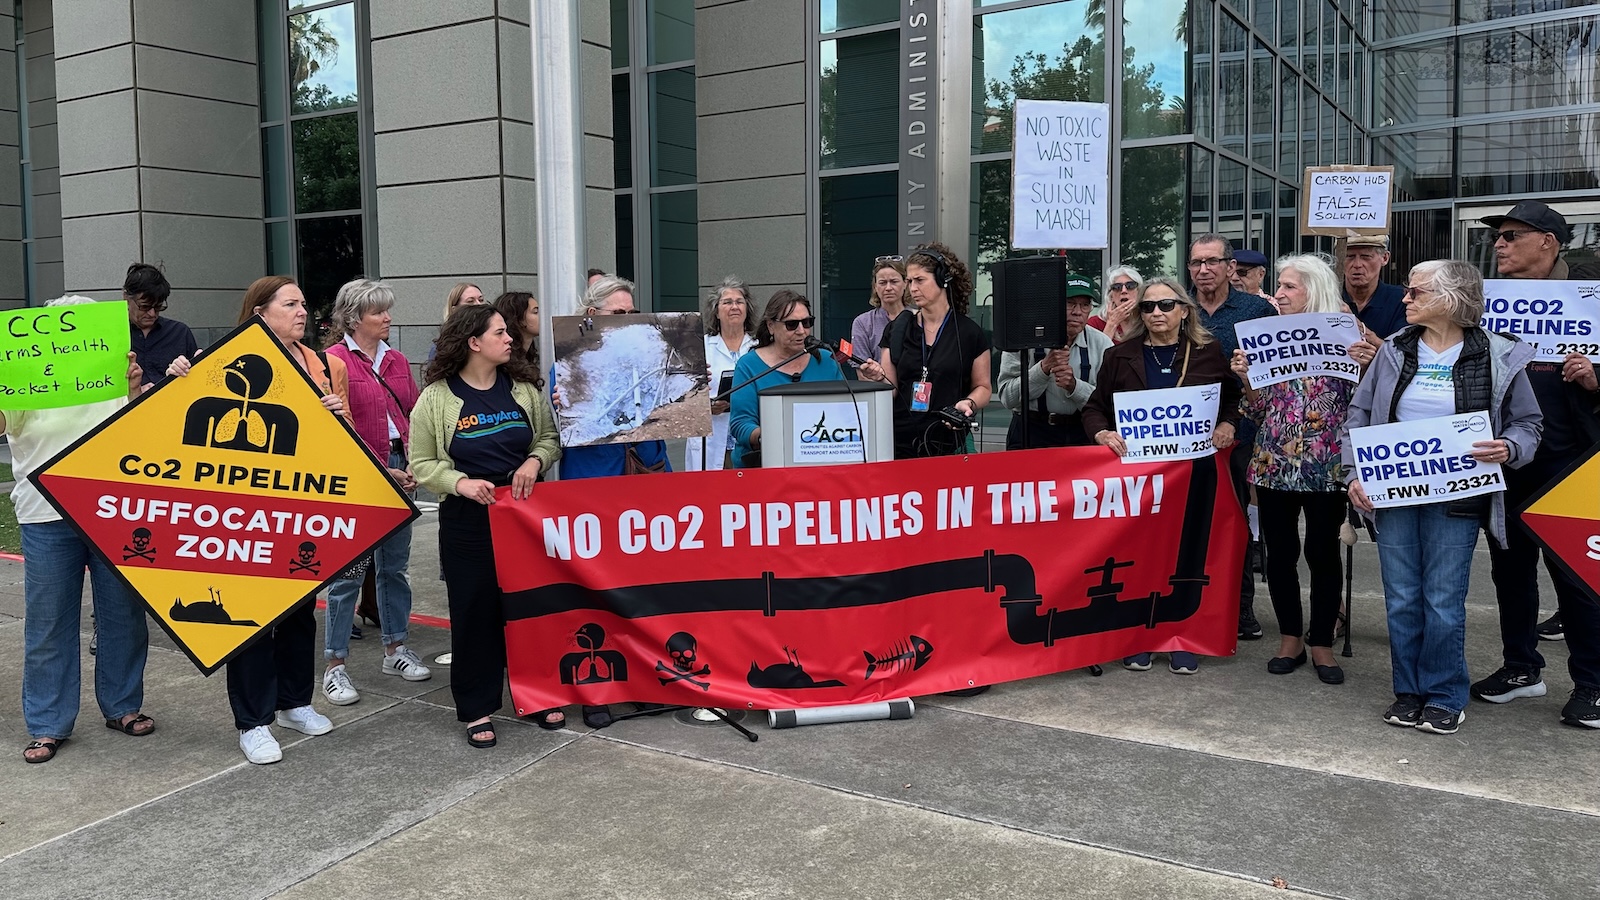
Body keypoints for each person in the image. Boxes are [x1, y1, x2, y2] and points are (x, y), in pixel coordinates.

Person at [1343, 260, 1542, 735]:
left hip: (1456, 496)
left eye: (1417, 292)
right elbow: (1359, 415)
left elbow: (1528, 424)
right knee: (1402, 598)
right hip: (1392, 493)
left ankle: (1444, 695)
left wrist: (1509, 447)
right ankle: (1408, 692)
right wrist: (1354, 473)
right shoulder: (1393, 349)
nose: (1405, 299)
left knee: (1442, 599)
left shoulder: (1499, 354)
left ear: (1451, 298)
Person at [167, 276, 349, 764]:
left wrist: (337, 413)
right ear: (259, 313)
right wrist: (178, 374)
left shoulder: (320, 363)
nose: (302, 312)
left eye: (304, 304)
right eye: (290, 304)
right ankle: (253, 722)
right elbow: (173, 419)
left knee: (297, 613)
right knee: (248, 619)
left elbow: (341, 439)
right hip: (240, 516)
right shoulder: (220, 359)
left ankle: (295, 702)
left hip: (297, 509)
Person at [1470, 200, 1600, 727]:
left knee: (1576, 578)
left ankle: (1592, 684)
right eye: (1498, 237)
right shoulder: (1485, 304)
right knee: (1510, 571)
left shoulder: (1590, 301)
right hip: (1506, 458)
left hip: (1571, 463)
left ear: (1548, 241)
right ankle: (1522, 667)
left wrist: (1596, 378)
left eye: (1512, 236)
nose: (1499, 245)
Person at [7, 297, 153, 764]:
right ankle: (48, 724)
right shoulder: (21, 376)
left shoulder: (113, 376)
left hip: (110, 509)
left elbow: (138, 435)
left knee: (123, 615)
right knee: (49, 621)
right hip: (43, 512)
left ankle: (123, 705)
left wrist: (133, 393)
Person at [411, 305, 563, 744]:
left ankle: (537, 694)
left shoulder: (523, 390)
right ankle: (477, 707)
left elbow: (548, 439)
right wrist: (459, 482)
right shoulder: (437, 398)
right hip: (467, 519)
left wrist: (535, 461)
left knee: (529, 608)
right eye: (499, 332)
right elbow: (422, 463)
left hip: (522, 514)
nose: (510, 338)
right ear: (474, 342)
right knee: (474, 609)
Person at [1082, 277, 1242, 675]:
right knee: (1142, 554)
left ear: (1184, 311)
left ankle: (1181, 636)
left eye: (1166, 305)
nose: (1156, 313)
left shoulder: (1208, 351)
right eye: (1148, 307)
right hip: (1142, 478)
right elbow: (1094, 408)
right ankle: (1141, 635)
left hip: (1194, 473)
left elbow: (1233, 398)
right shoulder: (1121, 356)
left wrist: (1228, 423)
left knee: (1189, 552)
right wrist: (1102, 432)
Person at [1229, 255, 1368, 684]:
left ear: (1314, 290)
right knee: (1280, 554)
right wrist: (1248, 380)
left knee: (1323, 554)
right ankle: (1290, 636)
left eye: (1290, 287)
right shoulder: (1268, 338)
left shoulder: (1347, 335)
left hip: (1328, 466)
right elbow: (1256, 410)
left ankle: (1321, 640)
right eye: (1281, 286)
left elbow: (1365, 401)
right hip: (1273, 463)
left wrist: (1367, 364)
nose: (1279, 294)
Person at [553, 275, 670, 729]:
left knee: (643, 589)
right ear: (592, 315)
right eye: (617, 313)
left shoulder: (652, 359)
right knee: (595, 591)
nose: (627, 319)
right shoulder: (569, 362)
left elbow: (669, 417)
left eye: (631, 311)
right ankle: (596, 688)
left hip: (643, 486)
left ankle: (641, 680)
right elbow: (558, 427)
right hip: (593, 490)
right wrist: (560, 401)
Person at [319, 280, 429, 708]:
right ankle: (334, 665)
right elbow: (329, 430)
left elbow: (414, 413)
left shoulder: (396, 360)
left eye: (386, 310)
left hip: (401, 466)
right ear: (353, 317)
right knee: (350, 573)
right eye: (378, 312)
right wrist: (383, 469)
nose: (387, 317)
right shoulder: (332, 362)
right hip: (359, 475)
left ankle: (395, 648)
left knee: (394, 568)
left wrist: (416, 463)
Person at [1188, 233, 1277, 642]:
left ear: (1230, 267)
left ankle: (1240, 608)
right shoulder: (1177, 307)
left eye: (1211, 262)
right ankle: (1189, 604)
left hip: (1239, 434)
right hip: (1182, 435)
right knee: (1187, 525)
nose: (1203, 270)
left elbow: (1274, 374)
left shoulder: (1257, 311)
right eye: (1195, 263)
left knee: (1235, 524)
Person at [858, 242, 992, 459]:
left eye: (919, 280)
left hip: (950, 443)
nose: (912, 288)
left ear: (942, 280)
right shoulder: (897, 329)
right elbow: (890, 389)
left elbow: (984, 387)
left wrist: (968, 403)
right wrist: (877, 378)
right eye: (909, 281)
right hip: (900, 443)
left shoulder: (969, 333)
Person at [727, 290, 845, 467]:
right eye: (791, 324)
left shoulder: (827, 361)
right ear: (771, 326)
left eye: (806, 323)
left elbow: (844, 414)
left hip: (821, 464)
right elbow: (741, 424)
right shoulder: (749, 365)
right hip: (763, 466)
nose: (801, 331)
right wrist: (770, 438)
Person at [996, 273, 1111, 448]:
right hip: (1031, 432)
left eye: (1085, 305)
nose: (1077, 312)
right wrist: (1042, 369)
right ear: (1053, 304)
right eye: (1070, 303)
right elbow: (1007, 398)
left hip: (1082, 432)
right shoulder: (1022, 339)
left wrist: (1075, 386)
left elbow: (1109, 404)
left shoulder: (1102, 343)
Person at [688, 276, 757, 471]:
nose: (734, 307)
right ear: (716, 311)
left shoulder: (759, 347)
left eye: (739, 302)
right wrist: (706, 405)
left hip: (747, 440)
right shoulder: (699, 346)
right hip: (711, 438)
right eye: (727, 302)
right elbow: (681, 398)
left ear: (747, 309)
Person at [125, 263, 197, 388]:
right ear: (126, 298)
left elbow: (197, 380)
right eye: (145, 306)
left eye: (158, 307)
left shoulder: (180, 332)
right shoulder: (112, 334)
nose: (152, 314)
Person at [1341, 235, 1408, 340]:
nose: (1357, 264)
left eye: (1366, 257)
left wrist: (1352, 323)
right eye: (1349, 256)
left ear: (1385, 258)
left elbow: (1401, 353)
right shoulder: (1326, 298)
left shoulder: (1402, 300)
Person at [851, 257, 909, 364]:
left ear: (905, 283)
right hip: (876, 380)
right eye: (882, 283)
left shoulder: (918, 318)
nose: (888, 288)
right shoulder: (863, 323)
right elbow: (862, 372)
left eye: (894, 281)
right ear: (875, 287)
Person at [1087, 265, 1142, 343]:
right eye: (1117, 287)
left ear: (1139, 292)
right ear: (1111, 296)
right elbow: (1096, 354)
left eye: (1130, 286)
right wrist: (1112, 323)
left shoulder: (1145, 320)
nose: (1123, 291)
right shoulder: (1095, 323)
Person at [493, 290, 541, 368]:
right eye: (535, 312)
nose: (542, 316)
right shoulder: (504, 360)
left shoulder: (528, 354)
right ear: (518, 319)